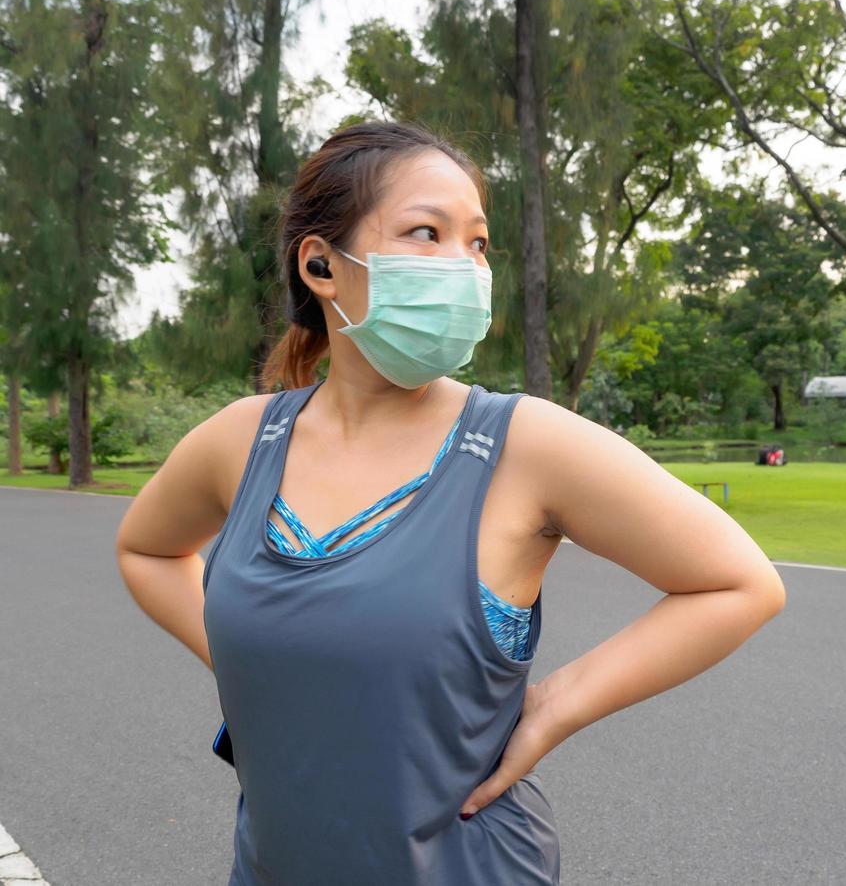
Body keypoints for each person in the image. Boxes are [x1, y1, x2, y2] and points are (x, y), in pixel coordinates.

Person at [115, 119, 787, 886]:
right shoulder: (242, 440)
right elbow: (146, 549)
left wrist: (555, 707)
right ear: (322, 265)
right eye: (425, 233)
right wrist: (249, 660)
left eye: (477, 242)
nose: (462, 267)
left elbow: (741, 583)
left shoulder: (527, 445)